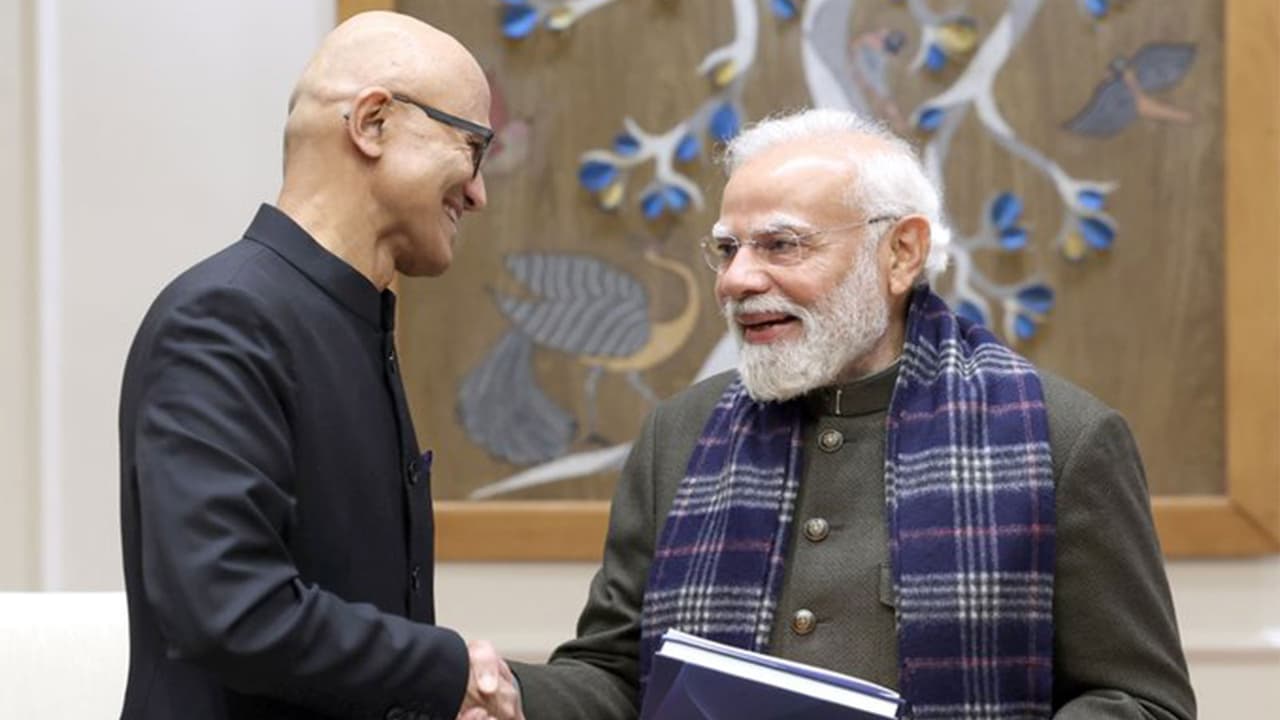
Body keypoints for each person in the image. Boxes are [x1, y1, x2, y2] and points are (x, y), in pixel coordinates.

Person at [509, 108, 1196, 719]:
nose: (736, 280)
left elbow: (1143, 702)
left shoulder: (1064, 438)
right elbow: (613, 677)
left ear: (901, 253)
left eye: (781, 244)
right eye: (727, 248)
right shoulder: (677, 435)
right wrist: (498, 691)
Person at [117, 11, 522, 719]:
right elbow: (229, 607)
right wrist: (447, 667)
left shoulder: (351, 322)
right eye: (473, 148)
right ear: (372, 123)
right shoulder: (224, 318)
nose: (479, 192)